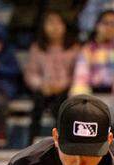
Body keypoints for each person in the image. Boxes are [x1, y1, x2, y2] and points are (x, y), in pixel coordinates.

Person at [24, 11, 80, 144]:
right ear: (43, 26)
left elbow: (77, 73)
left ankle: (62, 142)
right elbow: (31, 73)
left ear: (65, 26)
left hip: (66, 89)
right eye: (50, 23)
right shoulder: (37, 48)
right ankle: (30, 143)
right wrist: (41, 85)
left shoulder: (74, 48)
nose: (54, 27)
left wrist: (62, 85)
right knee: (37, 103)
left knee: (61, 107)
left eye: (58, 23)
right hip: (44, 89)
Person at [70, 10, 114, 96]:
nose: (109, 27)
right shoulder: (88, 49)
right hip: (92, 94)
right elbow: (81, 76)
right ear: (97, 26)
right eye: (105, 23)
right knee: (77, 91)